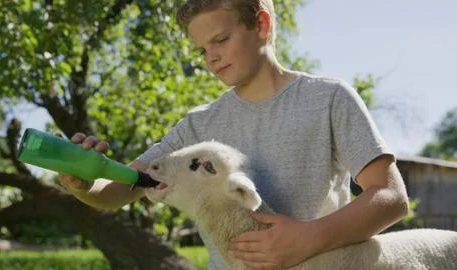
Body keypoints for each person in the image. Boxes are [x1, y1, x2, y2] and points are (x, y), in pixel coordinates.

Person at [58, 0, 409, 269]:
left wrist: (309, 239)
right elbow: (123, 188)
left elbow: (391, 196)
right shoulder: (198, 126)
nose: (211, 58)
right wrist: (87, 182)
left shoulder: (329, 99)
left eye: (221, 40)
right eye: (202, 50)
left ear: (261, 23)